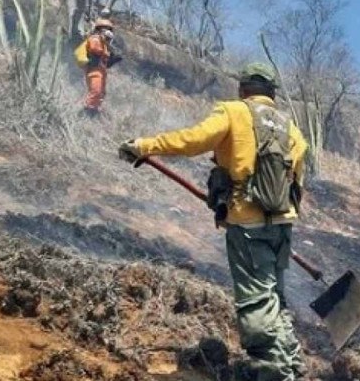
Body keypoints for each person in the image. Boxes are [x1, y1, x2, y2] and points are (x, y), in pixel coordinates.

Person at [117, 63, 308, 381]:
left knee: (257, 300)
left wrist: (145, 146)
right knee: (273, 294)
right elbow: (298, 176)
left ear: (243, 89)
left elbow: (193, 140)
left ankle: (276, 373)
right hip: (282, 225)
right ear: (272, 93)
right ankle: (291, 364)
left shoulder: (233, 111)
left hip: (247, 225)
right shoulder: (291, 127)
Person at [82, 18, 117, 116]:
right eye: (107, 29)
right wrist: (107, 52)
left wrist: (112, 58)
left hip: (101, 70)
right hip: (94, 70)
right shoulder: (95, 39)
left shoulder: (104, 44)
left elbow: (105, 59)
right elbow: (95, 50)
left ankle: (94, 110)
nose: (108, 32)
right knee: (96, 91)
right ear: (100, 29)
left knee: (101, 93)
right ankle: (87, 112)